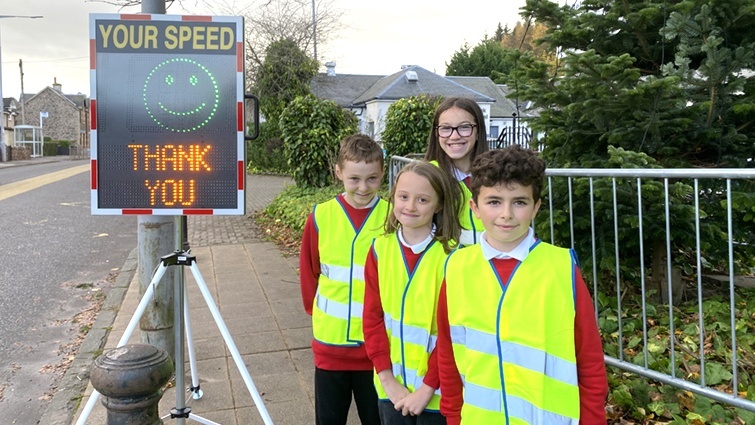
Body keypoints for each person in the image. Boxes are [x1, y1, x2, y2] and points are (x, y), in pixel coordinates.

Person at [435, 146, 609, 425]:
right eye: (494, 202)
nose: (506, 214)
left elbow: (589, 358)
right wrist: (454, 416)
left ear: (536, 207)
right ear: (475, 208)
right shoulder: (456, 268)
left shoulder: (561, 268)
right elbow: (448, 351)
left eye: (519, 202)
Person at [363, 160, 462, 425]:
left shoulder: (453, 258)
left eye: (422, 200)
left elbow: (454, 333)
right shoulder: (379, 250)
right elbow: (372, 319)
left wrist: (427, 388)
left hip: (437, 394)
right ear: (393, 197)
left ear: (439, 205)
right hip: (390, 389)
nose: (410, 206)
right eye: (403, 197)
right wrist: (386, 379)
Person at [299, 134, 388, 425]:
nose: (363, 187)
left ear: (382, 174)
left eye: (372, 179)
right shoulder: (322, 216)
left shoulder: (392, 218)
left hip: (376, 351)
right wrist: (317, 315)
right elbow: (309, 272)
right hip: (329, 346)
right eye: (354, 179)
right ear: (339, 173)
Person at [424, 97, 488, 246]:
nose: (454, 136)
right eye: (446, 128)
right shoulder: (427, 177)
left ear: (478, 131)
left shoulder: (497, 175)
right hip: (443, 265)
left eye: (464, 127)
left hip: (489, 265)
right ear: (436, 133)